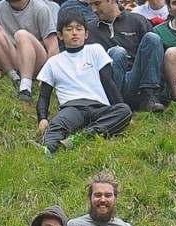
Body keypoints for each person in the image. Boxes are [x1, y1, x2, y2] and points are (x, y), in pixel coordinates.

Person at [36, 10, 133, 154]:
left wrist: (121, 107)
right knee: (57, 123)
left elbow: (108, 81)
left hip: (99, 106)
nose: (74, 33)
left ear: (86, 34)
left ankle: (82, 137)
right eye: (69, 29)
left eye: (79, 29)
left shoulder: (95, 50)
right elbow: (44, 96)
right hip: (73, 107)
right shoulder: (53, 62)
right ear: (60, 35)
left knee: (124, 110)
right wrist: (42, 118)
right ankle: (47, 150)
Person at [86, 0, 167, 112]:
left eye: (97, 4)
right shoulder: (89, 30)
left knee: (153, 38)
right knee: (118, 53)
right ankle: (115, 105)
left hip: (137, 79)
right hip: (110, 84)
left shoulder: (137, 20)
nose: (94, 9)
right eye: (91, 5)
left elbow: (155, 55)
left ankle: (149, 97)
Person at [0, 0, 61, 101]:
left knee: (21, 35)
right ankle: (14, 77)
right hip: (11, 59)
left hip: (36, 61)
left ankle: (25, 87)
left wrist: (48, 76)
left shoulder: (41, 9)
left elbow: (53, 47)